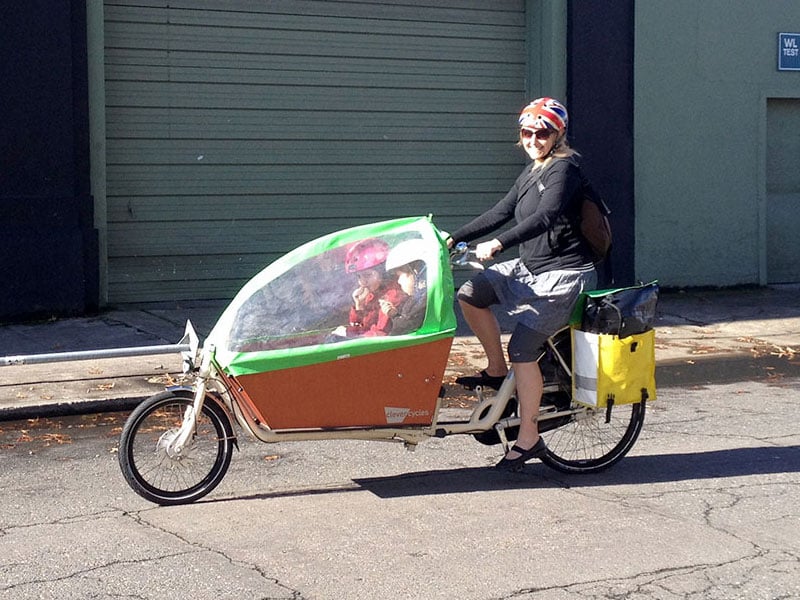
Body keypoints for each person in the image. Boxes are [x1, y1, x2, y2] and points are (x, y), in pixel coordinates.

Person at [446, 97, 598, 470]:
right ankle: (496, 371)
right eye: (527, 131)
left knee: (523, 347)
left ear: (557, 134)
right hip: (531, 267)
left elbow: (546, 217)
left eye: (542, 132)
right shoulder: (533, 171)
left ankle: (529, 437)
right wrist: (453, 238)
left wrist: (499, 243)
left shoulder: (565, 170)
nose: (533, 138)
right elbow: (501, 211)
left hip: (564, 275)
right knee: (471, 294)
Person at [338, 238, 407, 337]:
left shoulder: (392, 296)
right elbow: (362, 328)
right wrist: (359, 305)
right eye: (358, 276)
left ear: (384, 273)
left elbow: (381, 334)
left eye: (367, 275)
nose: (362, 282)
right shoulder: (371, 294)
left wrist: (347, 335)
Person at [381, 238, 429, 335]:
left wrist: (394, 316)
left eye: (400, 276)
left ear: (416, 273)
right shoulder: (414, 299)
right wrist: (394, 313)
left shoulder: (425, 300)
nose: (398, 281)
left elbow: (405, 327)